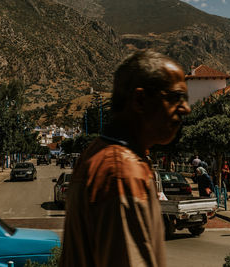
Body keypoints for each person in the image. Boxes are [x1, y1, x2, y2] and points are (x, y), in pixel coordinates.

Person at [59, 50, 191, 267]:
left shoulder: (99, 153)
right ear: (140, 100)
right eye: (176, 97)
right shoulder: (122, 174)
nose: (186, 109)